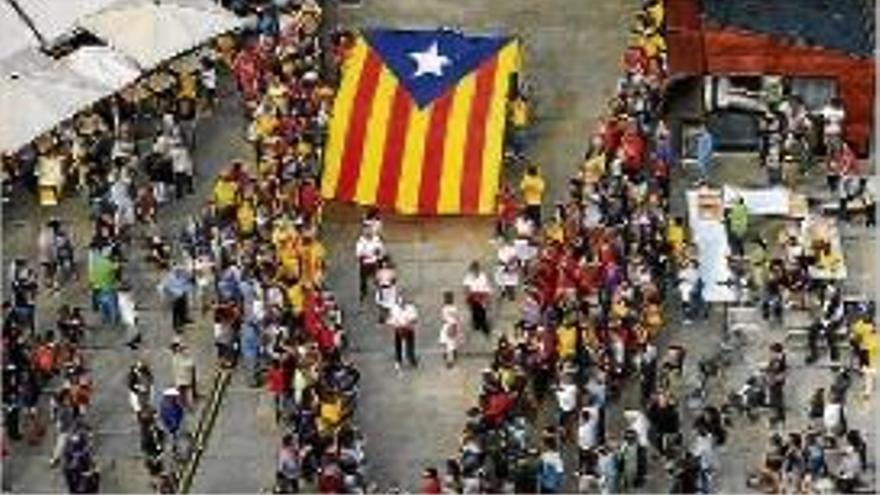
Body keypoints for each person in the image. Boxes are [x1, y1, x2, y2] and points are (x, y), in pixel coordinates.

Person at [388, 295, 418, 371]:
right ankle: (398, 360)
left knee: (410, 344)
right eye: (400, 303)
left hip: (408, 328)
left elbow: (414, 318)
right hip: (399, 329)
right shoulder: (394, 309)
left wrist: (409, 322)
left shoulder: (411, 308)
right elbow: (392, 319)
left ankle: (411, 359)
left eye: (403, 303)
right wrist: (396, 324)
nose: (402, 305)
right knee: (398, 345)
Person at [463, 261, 492, 335]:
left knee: (483, 312)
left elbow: (487, 286)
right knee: (474, 311)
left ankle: (484, 326)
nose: (475, 272)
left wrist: (488, 296)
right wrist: (467, 296)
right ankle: (476, 324)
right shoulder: (468, 277)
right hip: (473, 296)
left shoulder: (483, 276)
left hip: (482, 296)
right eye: (473, 270)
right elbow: (466, 287)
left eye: (476, 270)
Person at [355, 228, 384, 302]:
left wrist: (377, 255)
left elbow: (380, 250)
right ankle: (363, 293)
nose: (369, 233)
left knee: (378, 279)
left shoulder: (377, 240)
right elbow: (359, 254)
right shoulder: (360, 242)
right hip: (365, 265)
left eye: (370, 232)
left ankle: (381, 294)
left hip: (374, 263)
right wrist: (369, 255)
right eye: (367, 232)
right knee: (363, 280)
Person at [438, 291, 462, 368]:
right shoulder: (445, 307)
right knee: (446, 343)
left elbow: (455, 319)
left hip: (451, 326)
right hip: (447, 326)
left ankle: (450, 361)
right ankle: (452, 354)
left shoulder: (452, 308)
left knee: (450, 344)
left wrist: (453, 328)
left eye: (447, 298)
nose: (445, 299)